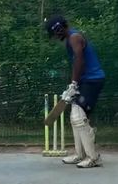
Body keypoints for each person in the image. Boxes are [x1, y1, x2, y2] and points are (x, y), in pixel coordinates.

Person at [45, 15, 105, 168]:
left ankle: (93, 158)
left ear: (59, 29)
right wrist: (72, 85)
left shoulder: (74, 37)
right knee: (76, 117)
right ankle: (80, 155)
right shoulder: (69, 40)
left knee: (78, 115)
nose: (55, 37)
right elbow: (75, 65)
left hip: (93, 80)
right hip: (86, 80)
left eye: (55, 33)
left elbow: (80, 60)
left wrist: (74, 84)